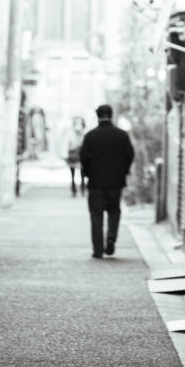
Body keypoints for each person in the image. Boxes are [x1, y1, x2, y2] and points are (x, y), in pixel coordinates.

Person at [78, 104, 134, 259]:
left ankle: (97, 249)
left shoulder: (90, 136)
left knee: (96, 215)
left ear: (97, 116)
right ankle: (111, 237)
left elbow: (84, 158)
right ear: (111, 114)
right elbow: (129, 154)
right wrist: (124, 170)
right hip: (115, 182)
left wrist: (88, 173)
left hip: (96, 183)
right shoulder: (122, 135)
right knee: (114, 211)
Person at [64, 116, 87, 196]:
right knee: (72, 174)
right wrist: (65, 156)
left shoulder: (85, 133)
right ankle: (73, 190)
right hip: (72, 155)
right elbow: (66, 144)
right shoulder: (69, 133)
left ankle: (83, 189)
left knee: (82, 174)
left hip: (82, 155)